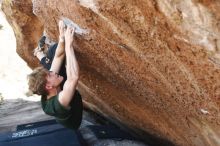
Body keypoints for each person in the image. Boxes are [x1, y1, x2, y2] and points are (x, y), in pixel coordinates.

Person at [28, 21, 83, 130]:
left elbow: (58, 56)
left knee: (54, 52)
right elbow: (73, 78)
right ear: (48, 86)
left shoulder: (49, 86)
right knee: (61, 67)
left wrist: (62, 38)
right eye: (49, 74)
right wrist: (68, 45)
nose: (52, 72)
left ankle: (39, 55)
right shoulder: (59, 103)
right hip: (74, 120)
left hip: (59, 89)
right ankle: (39, 55)